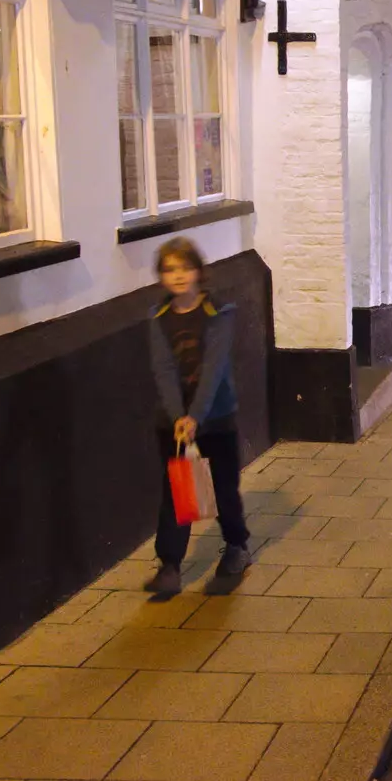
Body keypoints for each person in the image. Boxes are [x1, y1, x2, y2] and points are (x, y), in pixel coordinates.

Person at [143, 237, 250, 595]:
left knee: (221, 489)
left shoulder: (217, 313)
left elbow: (213, 369)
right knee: (180, 493)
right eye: (169, 269)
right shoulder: (159, 318)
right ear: (161, 277)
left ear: (199, 273)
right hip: (175, 425)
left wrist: (196, 417)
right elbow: (163, 369)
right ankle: (170, 566)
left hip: (215, 417)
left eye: (185, 268)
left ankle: (237, 547)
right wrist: (178, 417)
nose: (178, 276)